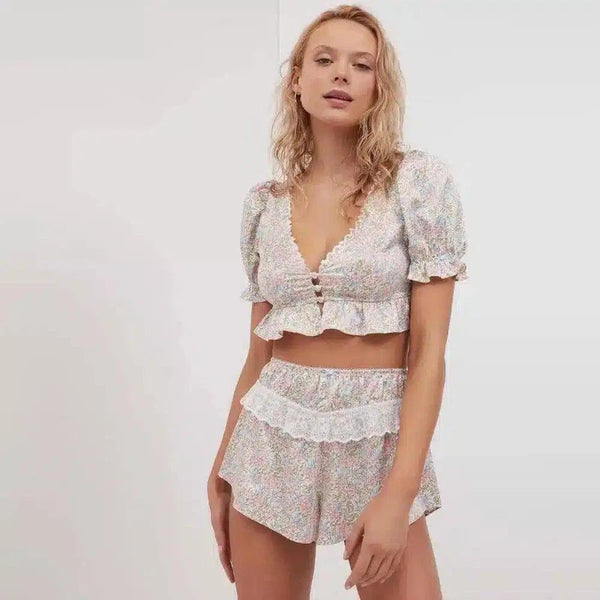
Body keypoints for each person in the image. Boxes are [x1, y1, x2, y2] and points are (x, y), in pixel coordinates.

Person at [207, 4, 468, 599]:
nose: (341, 74)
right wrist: (222, 468)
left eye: (362, 64)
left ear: (380, 86)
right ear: (297, 80)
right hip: (268, 437)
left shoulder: (417, 184)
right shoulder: (264, 204)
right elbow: (259, 356)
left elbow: (428, 355)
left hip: (378, 434)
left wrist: (399, 494)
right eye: (324, 60)